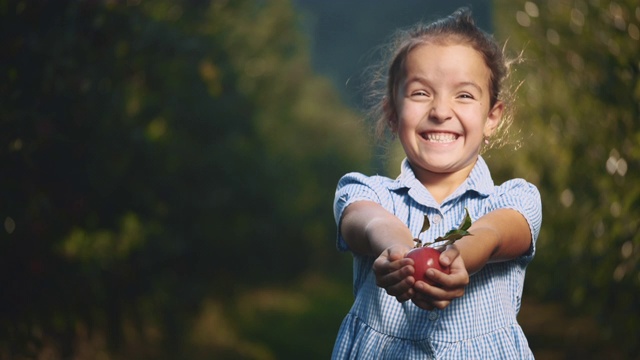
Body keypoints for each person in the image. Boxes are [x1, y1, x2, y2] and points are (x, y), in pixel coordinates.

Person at [331, 7, 542, 359]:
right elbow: (368, 223)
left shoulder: (515, 199)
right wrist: (401, 255)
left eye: (463, 95)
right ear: (393, 115)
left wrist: (457, 256)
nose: (441, 111)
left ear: (492, 117)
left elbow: (493, 234)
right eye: (420, 93)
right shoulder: (366, 192)